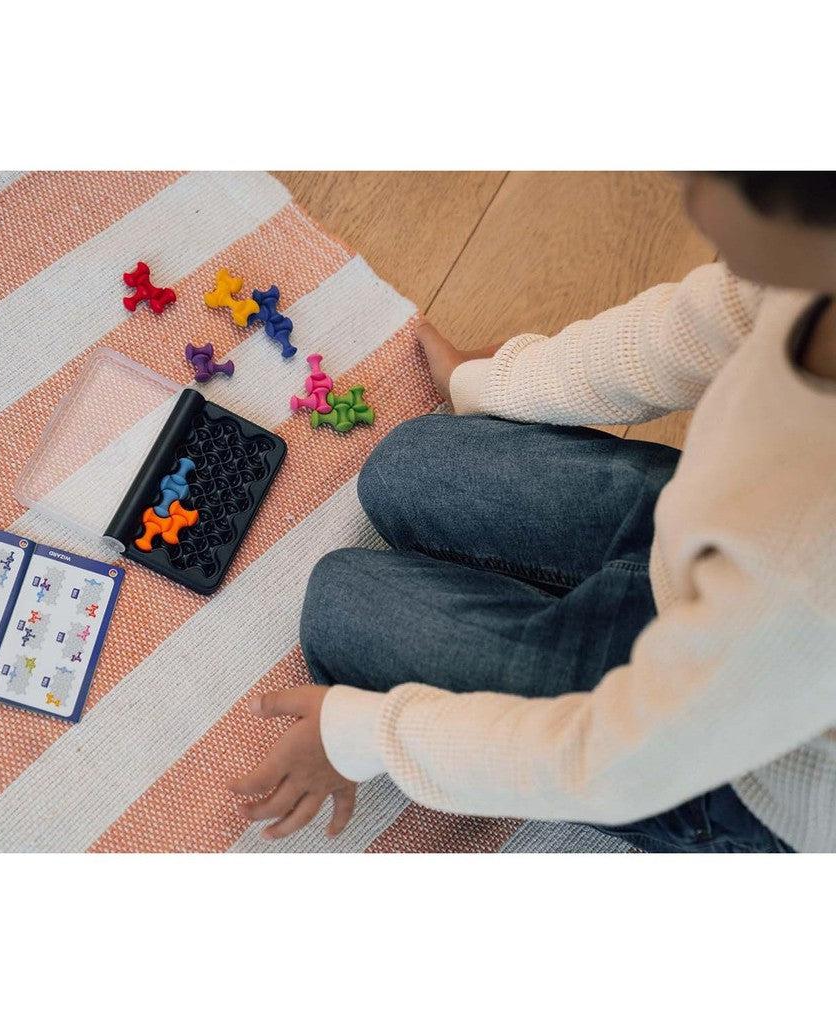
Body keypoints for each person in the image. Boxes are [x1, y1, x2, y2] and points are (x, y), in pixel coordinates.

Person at [229, 172, 836, 853]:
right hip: (709, 557)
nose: (689, 202)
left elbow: (607, 763)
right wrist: (492, 381)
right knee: (407, 464)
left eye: (708, 182)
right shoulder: (806, 269)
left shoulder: (807, 568)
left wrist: (362, 736)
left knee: (340, 606)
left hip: (726, 761)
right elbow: (690, 327)